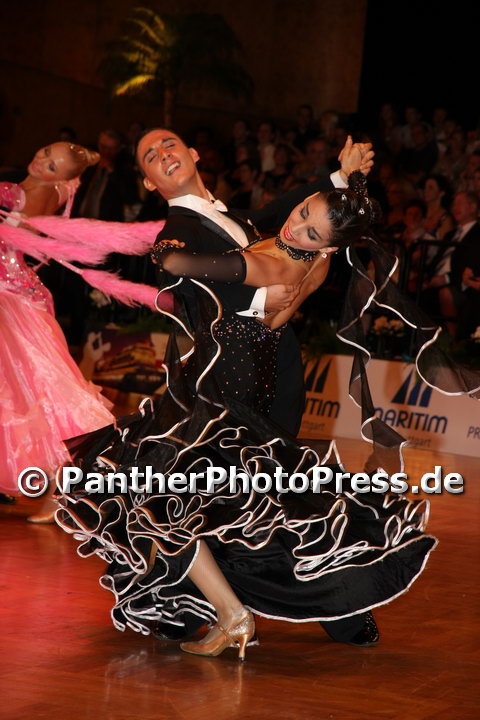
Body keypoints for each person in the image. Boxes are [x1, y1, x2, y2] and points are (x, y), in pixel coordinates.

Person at [55, 166, 441, 661]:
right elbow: (265, 297)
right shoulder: (306, 257)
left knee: (176, 493)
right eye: (302, 212)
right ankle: (243, 608)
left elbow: (186, 265)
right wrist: (337, 182)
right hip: (241, 374)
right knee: (232, 501)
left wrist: (163, 251)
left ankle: (246, 612)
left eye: (311, 231)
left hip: (228, 387)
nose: (295, 226)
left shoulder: (273, 265)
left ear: (327, 246)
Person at [0, 142, 115, 510]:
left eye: (51, 166)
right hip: (16, 292)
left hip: (11, 297)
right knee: (24, 390)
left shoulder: (27, 193)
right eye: (46, 152)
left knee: (38, 391)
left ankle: (61, 487)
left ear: (59, 179)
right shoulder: (42, 188)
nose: (41, 160)